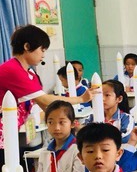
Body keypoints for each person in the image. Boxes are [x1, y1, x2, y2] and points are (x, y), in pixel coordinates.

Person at [0, 25, 92, 161]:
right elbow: (45, 99)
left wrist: (71, 124)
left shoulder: (29, 73)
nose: (43, 55)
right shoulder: (12, 69)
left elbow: (46, 106)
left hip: (11, 132)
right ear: (27, 46)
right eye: (42, 49)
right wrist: (80, 99)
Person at [36, 101, 85, 172]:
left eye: (61, 122)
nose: (56, 128)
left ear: (73, 124)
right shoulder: (45, 153)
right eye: (51, 122)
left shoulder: (78, 150)